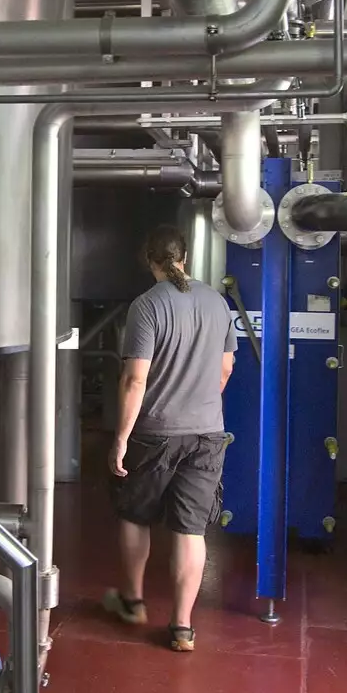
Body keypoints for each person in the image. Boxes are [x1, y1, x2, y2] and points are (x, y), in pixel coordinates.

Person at [102, 225, 237, 652]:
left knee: (135, 515)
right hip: (207, 432)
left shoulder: (147, 307)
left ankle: (133, 601)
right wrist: (200, 402)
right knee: (190, 528)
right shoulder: (217, 302)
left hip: (155, 433)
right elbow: (226, 369)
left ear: (151, 260)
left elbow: (134, 379)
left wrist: (121, 437)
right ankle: (182, 627)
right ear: (185, 257)